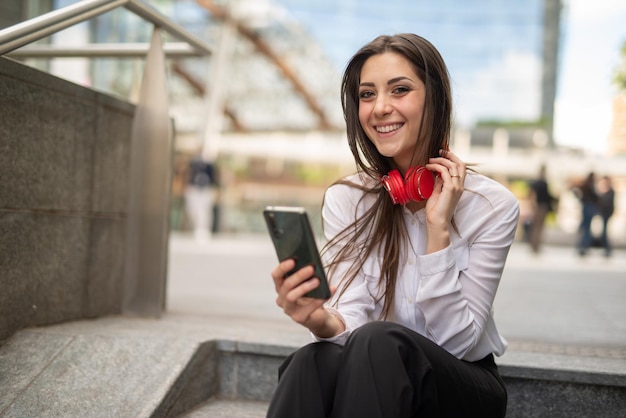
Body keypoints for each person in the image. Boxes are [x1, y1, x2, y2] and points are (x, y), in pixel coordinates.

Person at [266, 34, 519, 418]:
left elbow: (459, 344)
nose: (380, 107)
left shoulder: (492, 206)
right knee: (311, 361)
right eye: (367, 95)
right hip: (372, 372)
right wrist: (319, 319)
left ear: (435, 99)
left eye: (399, 90)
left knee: (379, 341)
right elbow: (350, 321)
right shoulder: (348, 198)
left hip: (461, 386)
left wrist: (439, 230)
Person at [527, 164, 555, 254]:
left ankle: (535, 246)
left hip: (539, 206)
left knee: (536, 227)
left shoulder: (537, 182)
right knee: (538, 228)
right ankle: (535, 246)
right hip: (541, 206)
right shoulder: (541, 183)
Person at [573, 172, 599, 256]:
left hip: (587, 207)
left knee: (585, 227)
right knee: (586, 229)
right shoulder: (589, 186)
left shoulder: (587, 185)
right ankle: (583, 247)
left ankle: (582, 246)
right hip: (588, 207)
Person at [597, 175, 615, 257]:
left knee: (604, 233)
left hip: (606, 213)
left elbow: (607, 204)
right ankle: (606, 249)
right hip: (605, 213)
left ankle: (607, 249)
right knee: (603, 232)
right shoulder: (607, 191)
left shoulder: (610, 191)